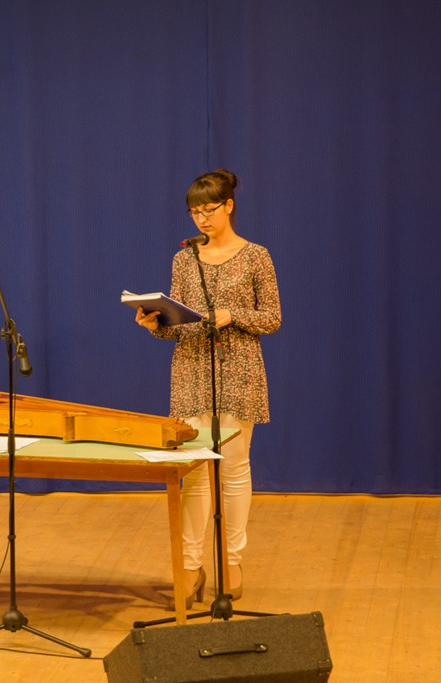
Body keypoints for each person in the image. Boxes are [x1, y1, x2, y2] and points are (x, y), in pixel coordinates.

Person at [135, 169, 281, 609]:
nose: (201, 218)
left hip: (239, 369)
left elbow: (272, 317)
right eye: (194, 212)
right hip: (192, 369)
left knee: (233, 470)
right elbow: (177, 324)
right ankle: (190, 565)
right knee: (194, 471)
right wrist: (154, 323)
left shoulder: (256, 256)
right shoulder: (185, 259)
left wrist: (232, 315)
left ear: (229, 205)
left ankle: (231, 560)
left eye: (209, 209)